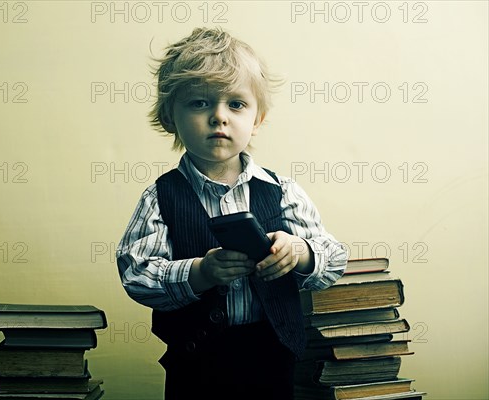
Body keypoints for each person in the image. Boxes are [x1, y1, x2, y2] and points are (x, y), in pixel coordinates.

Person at [116, 27, 347, 400]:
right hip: (195, 361)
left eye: (236, 104)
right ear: (169, 117)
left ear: (257, 118)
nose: (219, 117)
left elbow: (334, 259)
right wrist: (200, 272)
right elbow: (136, 273)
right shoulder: (160, 196)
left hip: (273, 355)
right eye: (199, 103)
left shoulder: (282, 190)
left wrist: (299, 252)